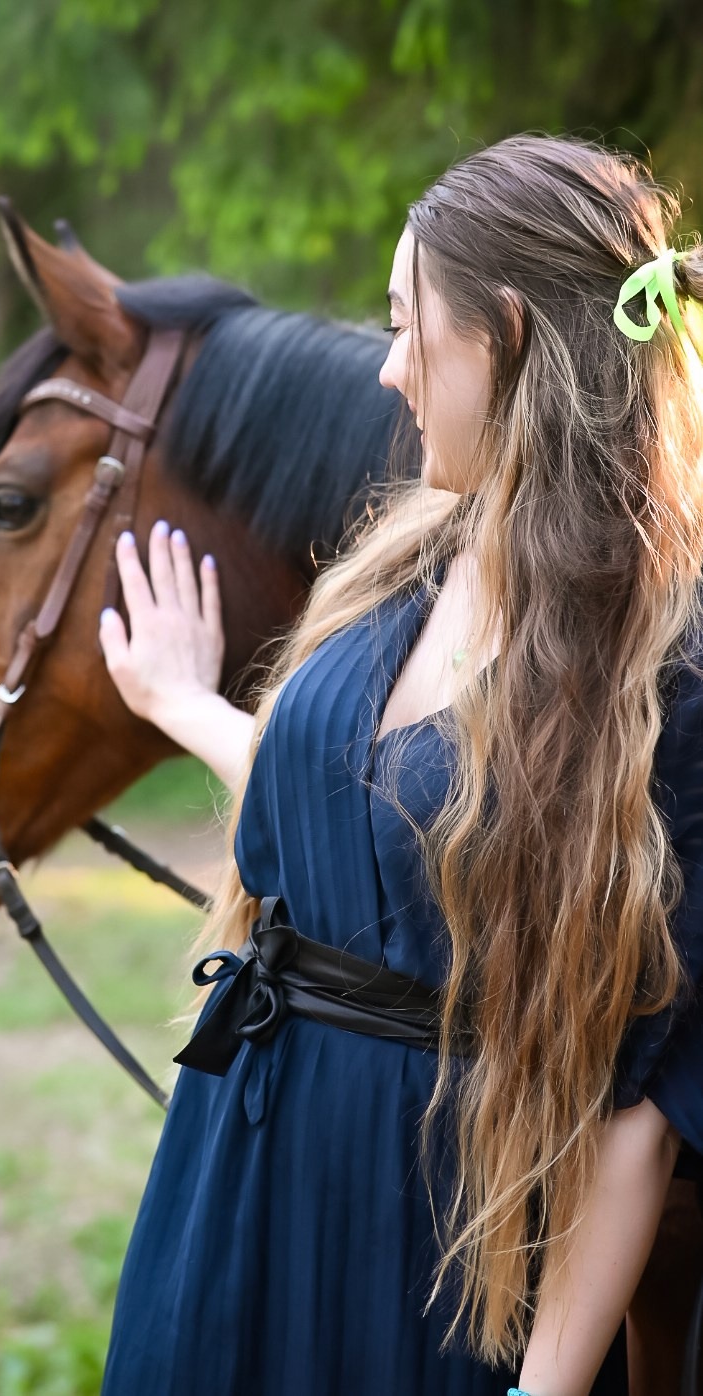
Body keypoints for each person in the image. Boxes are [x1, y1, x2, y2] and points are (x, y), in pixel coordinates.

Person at [95, 133, 703, 1395]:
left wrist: (545, 1388)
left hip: (423, 1228)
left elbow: (641, 1102)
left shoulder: (664, 662)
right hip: (238, 1167)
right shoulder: (407, 559)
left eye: (405, 323)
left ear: (512, 334)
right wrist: (178, 702)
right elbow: (372, 823)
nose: (386, 368)